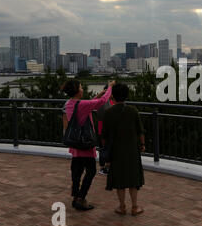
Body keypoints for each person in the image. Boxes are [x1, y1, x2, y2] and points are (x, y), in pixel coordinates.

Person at [61, 79, 115, 211]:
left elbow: (90, 104)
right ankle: (81, 198)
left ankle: (75, 197)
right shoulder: (81, 105)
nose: (82, 89)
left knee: (76, 172)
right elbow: (101, 103)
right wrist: (110, 88)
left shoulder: (69, 103)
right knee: (91, 171)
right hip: (85, 145)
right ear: (78, 90)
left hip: (75, 145)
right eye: (81, 87)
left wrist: (99, 94)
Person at [101, 83, 145, 216]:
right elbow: (140, 132)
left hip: (116, 151)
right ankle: (135, 207)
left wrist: (106, 149)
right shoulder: (133, 111)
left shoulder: (108, 112)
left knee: (120, 180)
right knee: (133, 179)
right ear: (127, 95)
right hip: (132, 150)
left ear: (113, 96)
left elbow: (104, 136)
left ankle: (122, 207)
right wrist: (142, 145)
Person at [96, 85, 115, 175]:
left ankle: (108, 166)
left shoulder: (113, 101)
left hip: (110, 130)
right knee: (104, 148)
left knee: (108, 148)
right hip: (103, 129)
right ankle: (103, 167)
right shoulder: (103, 101)